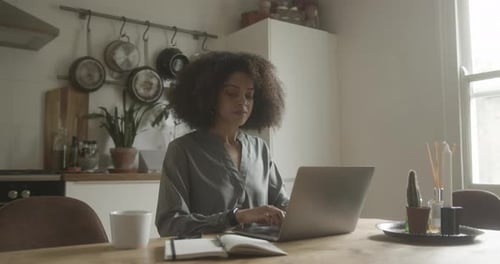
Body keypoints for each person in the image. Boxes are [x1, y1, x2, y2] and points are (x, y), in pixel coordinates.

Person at [156, 51, 289, 237]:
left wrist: (295, 213)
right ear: (210, 96)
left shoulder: (260, 149)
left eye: (249, 96)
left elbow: (283, 203)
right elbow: (169, 224)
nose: (242, 101)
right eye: (231, 93)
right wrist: (235, 217)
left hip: (265, 254)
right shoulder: (182, 150)